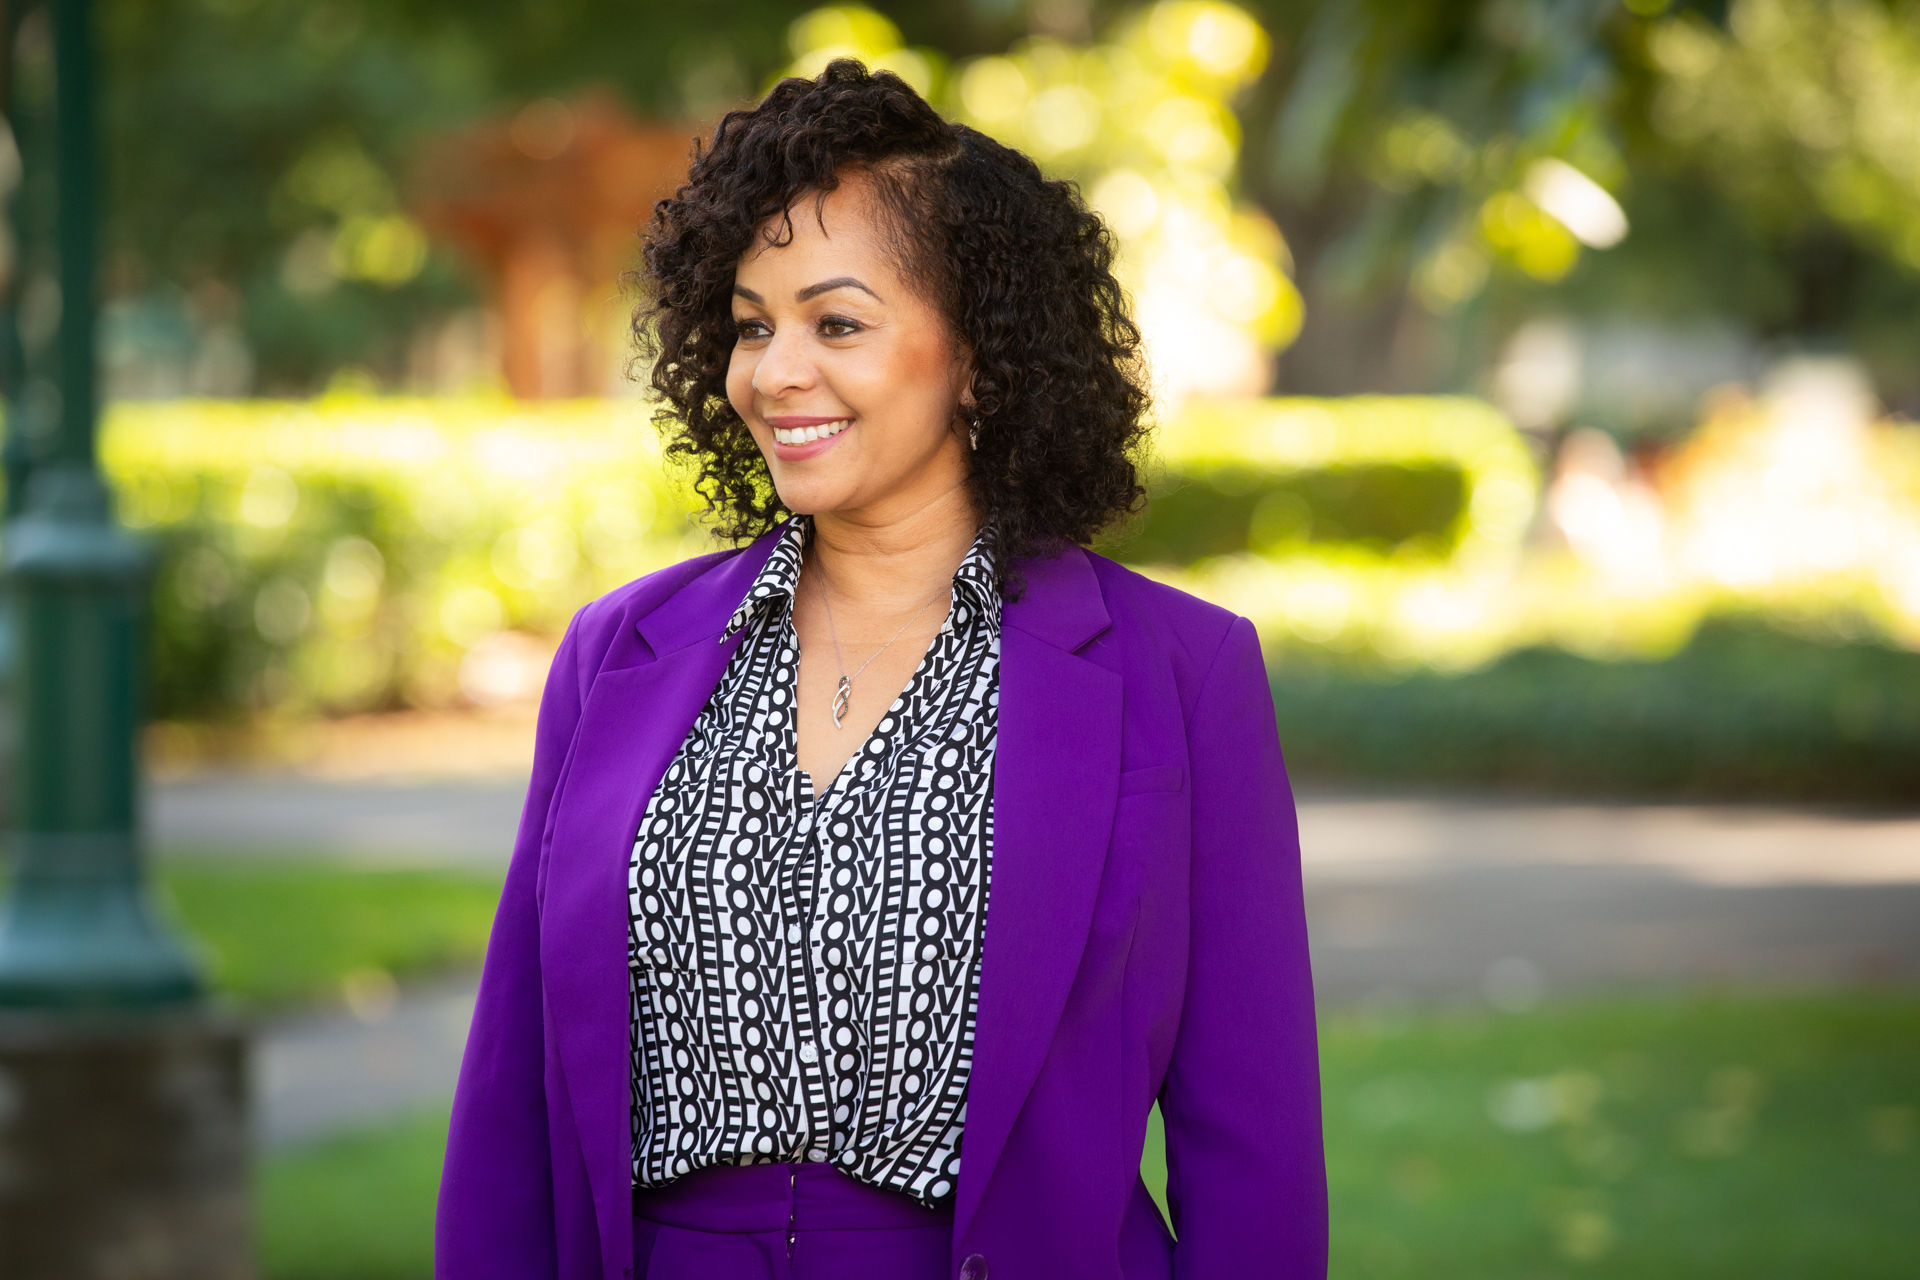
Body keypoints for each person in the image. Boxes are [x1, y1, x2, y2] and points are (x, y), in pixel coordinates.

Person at [437, 60, 1324, 1280]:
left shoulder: (1182, 672)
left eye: (835, 321)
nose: (773, 371)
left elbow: (1253, 1138)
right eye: (752, 323)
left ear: (979, 356)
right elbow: (512, 1105)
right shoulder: (618, 654)